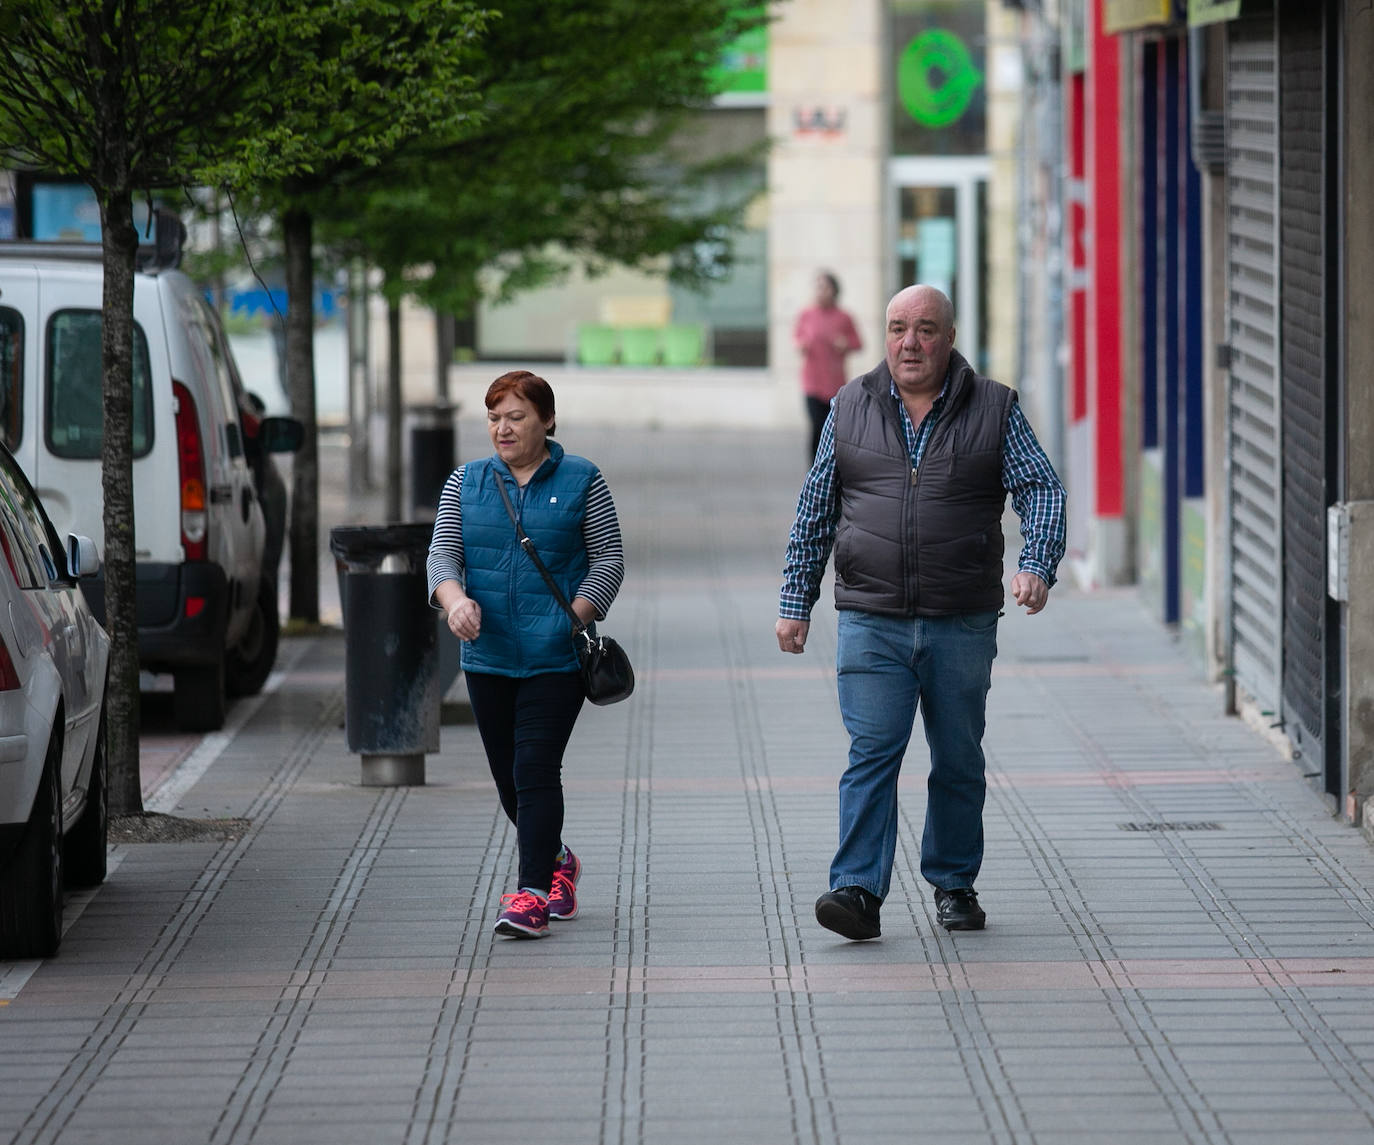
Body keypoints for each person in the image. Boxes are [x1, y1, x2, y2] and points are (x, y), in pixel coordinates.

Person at [775, 285, 1066, 940]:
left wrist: (1036, 564)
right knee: (872, 750)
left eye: (926, 328)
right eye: (899, 327)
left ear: (950, 336)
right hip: (870, 616)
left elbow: (1041, 487)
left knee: (957, 754)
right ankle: (857, 890)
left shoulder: (995, 408)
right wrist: (797, 601)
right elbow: (815, 508)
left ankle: (954, 882)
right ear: (883, 334)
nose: (911, 342)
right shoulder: (850, 406)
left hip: (960, 618)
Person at [428, 370, 625, 939]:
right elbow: (442, 557)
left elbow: (607, 562)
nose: (502, 428)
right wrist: (456, 600)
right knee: (508, 781)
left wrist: (572, 621)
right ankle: (559, 861)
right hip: (488, 658)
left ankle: (531, 894)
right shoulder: (465, 482)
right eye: (493, 417)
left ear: (547, 420)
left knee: (535, 771)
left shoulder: (584, 479)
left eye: (515, 417)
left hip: (555, 660)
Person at [794, 271, 863, 462]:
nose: (820, 291)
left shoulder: (844, 317)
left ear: (834, 290)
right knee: (817, 427)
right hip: (812, 382)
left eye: (824, 287)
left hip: (835, 384)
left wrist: (845, 344)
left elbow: (858, 343)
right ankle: (813, 470)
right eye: (817, 287)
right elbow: (797, 338)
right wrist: (801, 345)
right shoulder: (806, 315)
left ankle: (832, 469)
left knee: (833, 430)